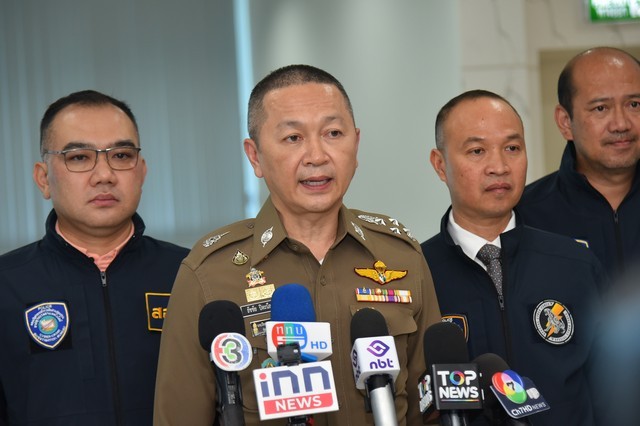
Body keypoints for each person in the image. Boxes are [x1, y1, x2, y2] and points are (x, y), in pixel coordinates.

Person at [154, 64, 441, 426]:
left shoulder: (401, 257)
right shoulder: (209, 274)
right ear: (255, 156)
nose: (317, 156)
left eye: (333, 133)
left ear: (356, 145)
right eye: (293, 138)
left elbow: (429, 410)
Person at [0, 90, 189, 426]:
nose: (104, 175)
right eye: (79, 158)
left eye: (121, 155)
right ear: (44, 178)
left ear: (141, 172)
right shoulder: (7, 285)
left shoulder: (190, 274)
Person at [421, 90, 606, 425]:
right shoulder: (418, 272)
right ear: (440, 164)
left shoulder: (575, 263)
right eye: (477, 151)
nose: (499, 167)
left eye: (512, 148)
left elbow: (614, 390)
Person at [518, 47, 640, 278]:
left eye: (634, 104)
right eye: (601, 108)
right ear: (565, 122)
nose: (621, 124)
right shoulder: (525, 216)